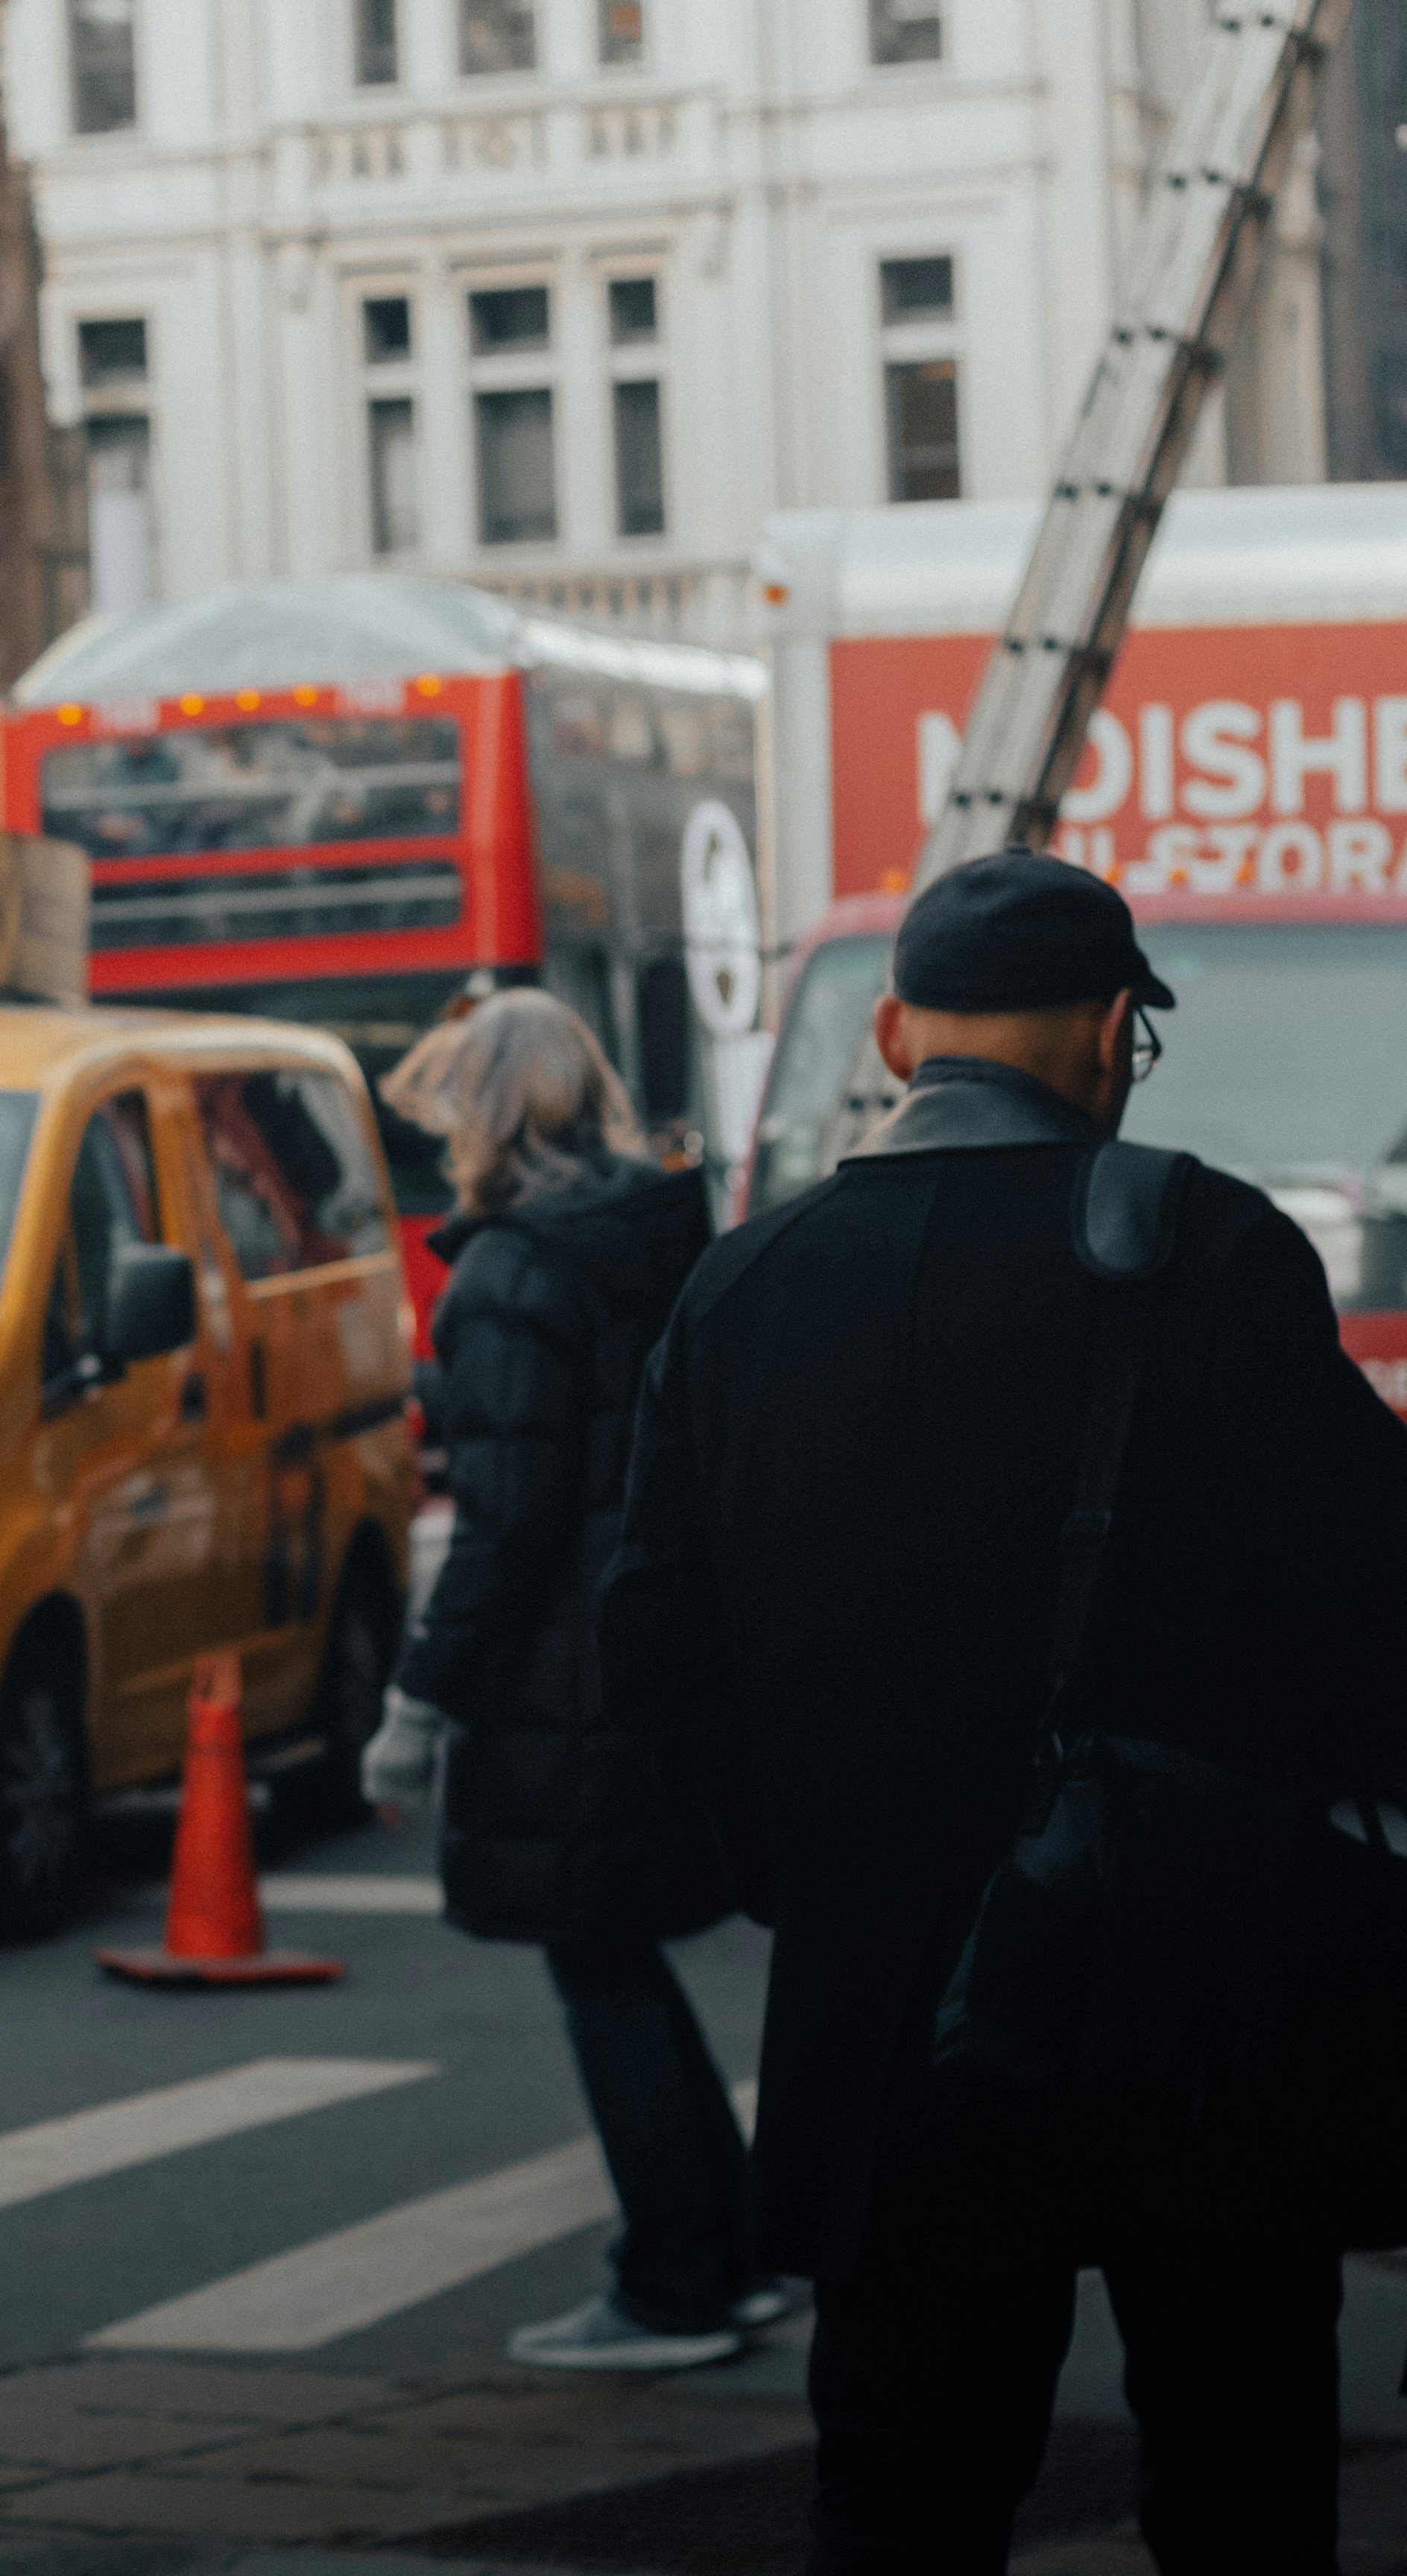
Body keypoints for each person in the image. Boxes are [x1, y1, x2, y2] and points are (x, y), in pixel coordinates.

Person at [600, 853, 1407, 2568]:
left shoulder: (738, 1288)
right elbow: (1368, 1597)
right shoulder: (1207, 1244)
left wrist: (802, 1869)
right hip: (1200, 1987)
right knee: (1238, 2469)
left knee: (902, 2489)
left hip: (886, 2006)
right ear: (1115, 1032)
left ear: (893, 1033)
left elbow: (651, 1653)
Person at [361, 991, 770, 2373]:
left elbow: (501, 1522)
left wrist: (416, 1704)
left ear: (478, 1118)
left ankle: (670, 2288)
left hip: (559, 1685)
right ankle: (726, 2251)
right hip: (653, 1663)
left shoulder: (506, 1280)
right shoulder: (660, 1247)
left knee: (597, 1969)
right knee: (626, 1952)